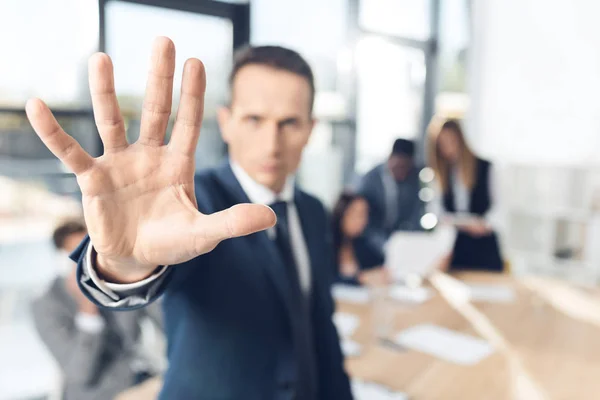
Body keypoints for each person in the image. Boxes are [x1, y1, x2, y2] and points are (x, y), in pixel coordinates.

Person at [26, 38, 352, 400]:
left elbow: (320, 324)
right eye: (254, 119)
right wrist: (123, 266)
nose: (271, 143)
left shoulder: (313, 213)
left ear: (310, 129)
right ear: (226, 123)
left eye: (289, 123)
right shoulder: (191, 205)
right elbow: (151, 271)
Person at [31, 220, 165, 400]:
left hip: (140, 379)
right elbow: (80, 374)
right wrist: (88, 311)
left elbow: (165, 322)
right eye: (75, 256)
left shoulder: (118, 281)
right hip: (98, 394)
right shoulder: (46, 305)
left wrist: (139, 279)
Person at [427, 118, 504, 272]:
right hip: (455, 250)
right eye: (442, 144)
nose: (448, 148)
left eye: (451, 141)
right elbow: (437, 214)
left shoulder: (486, 168)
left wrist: (482, 223)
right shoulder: (439, 175)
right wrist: (466, 223)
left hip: (485, 247)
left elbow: (499, 209)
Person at [358, 138, 425, 249]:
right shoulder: (370, 180)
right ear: (390, 158)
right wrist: (385, 246)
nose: (402, 173)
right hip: (373, 241)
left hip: (403, 240)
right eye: (399, 166)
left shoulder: (416, 179)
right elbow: (365, 222)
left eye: (406, 168)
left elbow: (416, 212)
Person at [332, 192, 388, 286]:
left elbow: (379, 264)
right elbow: (326, 279)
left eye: (365, 215)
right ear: (341, 212)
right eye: (357, 214)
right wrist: (360, 279)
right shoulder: (326, 242)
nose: (362, 221)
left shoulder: (361, 243)